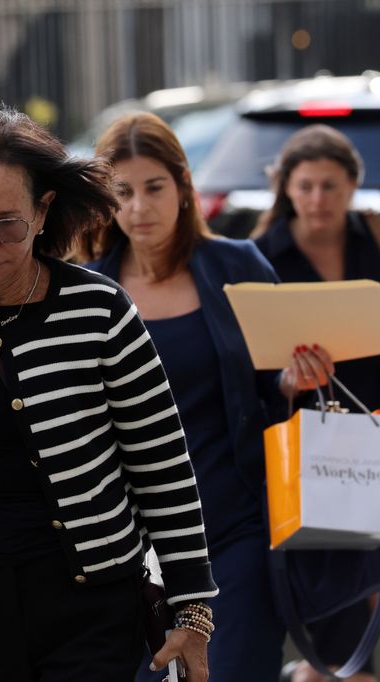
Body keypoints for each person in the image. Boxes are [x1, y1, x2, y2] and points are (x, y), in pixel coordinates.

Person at [0, 108, 218, 681]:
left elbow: (161, 463)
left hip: (93, 601)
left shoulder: (101, 310)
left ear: (43, 212)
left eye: (10, 224)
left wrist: (192, 607)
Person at [87, 111, 335, 681]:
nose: (140, 207)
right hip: (130, 545)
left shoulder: (237, 266)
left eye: (155, 188)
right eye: (122, 192)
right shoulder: (88, 288)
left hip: (235, 526)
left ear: (183, 187)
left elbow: (271, 390)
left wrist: (293, 383)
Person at [253, 124, 380, 682]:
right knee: (339, 625)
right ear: (286, 187)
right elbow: (247, 370)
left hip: (378, 436)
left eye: (330, 186)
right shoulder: (259, 257)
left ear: (353, 184)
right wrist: (287, 380)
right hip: (317, 459)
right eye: (305, 186)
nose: (317, 199)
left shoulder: (374, 240)